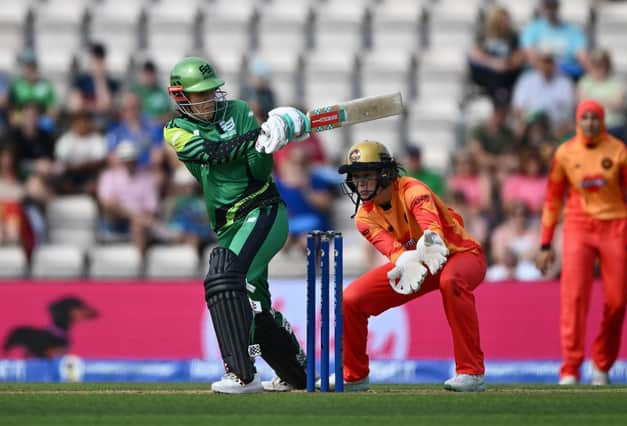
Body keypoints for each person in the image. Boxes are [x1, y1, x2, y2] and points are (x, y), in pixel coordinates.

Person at [163, 56, 312, 394]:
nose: (208, 100)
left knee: (224, 276)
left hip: (263, 210)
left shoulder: (239, 110)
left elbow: (258, 171)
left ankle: (242, 375)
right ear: (180, 97)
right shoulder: (176, 130)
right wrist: (259, 134)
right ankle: (299, 373)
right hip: (229, 224)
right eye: (199, 95)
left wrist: (270, 142)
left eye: (211, 92)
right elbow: (211, 152)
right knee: (253, 308)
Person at [333, 140, 487, 392]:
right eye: (356, 177)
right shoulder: (363, 217)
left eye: (366, 176)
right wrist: (407, 259)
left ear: (384, 174)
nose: (359, 183)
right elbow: (396, 253)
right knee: (351, 299)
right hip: (417, 262)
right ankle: (354, 376)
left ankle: (471, 372)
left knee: (451, 281)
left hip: (460, 255)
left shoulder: (413, 190)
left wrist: (426, 246)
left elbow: (432, 233)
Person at [536, 99, 627, 386]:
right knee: (574, 298)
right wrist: (545, 244)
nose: (590, 123)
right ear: (578, 122)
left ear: (602, 120)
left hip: (616, 225)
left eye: (595, 118)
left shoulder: (619, 151)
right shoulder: (566, 153)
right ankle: (570, 367)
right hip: (578, 226)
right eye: (585, 119)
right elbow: (553, 198)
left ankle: (602, 364)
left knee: (619, 300)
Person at [520, 0, 589, 81]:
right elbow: (531, 55)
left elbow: (583, 56)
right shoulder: (532, 28)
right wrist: (548, 68)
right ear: (542, 7)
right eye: (548, 6)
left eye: (553, 6)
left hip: (566, 75)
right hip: (540, 74)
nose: (550, 10)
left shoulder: (573, 30)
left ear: (558, 7)